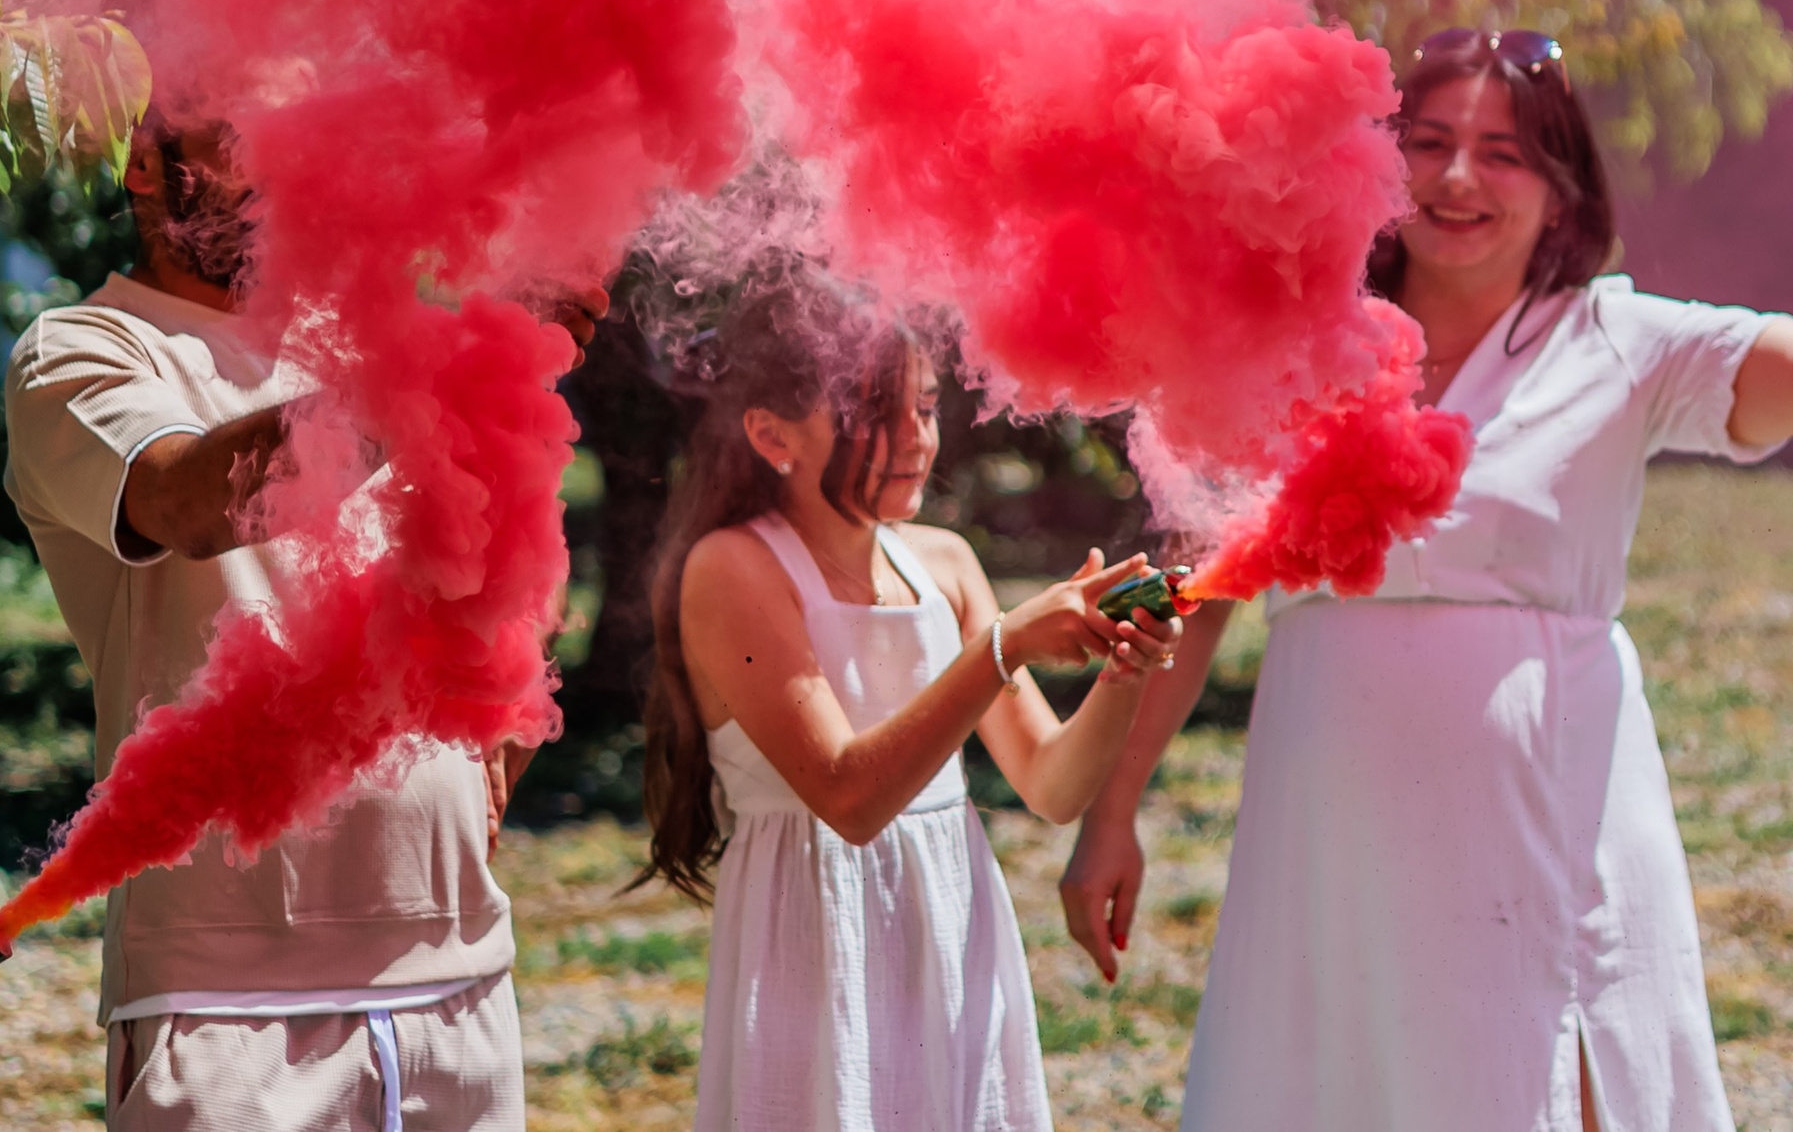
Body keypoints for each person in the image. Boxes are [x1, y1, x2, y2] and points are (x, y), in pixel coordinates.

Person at [1059, 28, 1793, 1132]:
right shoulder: (1298, 346)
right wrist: (1112, 811)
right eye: (1428, 143)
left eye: (1503, 153)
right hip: (1331, 824)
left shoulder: (1618, 342)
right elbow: (1191, 596)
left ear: (1561, 190)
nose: (1455, 178)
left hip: (1548, 815)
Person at [2, 112, 606, 1130]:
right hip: (225, 1006)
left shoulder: (375, 346)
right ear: (149, 166)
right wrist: (445, 368)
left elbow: (494, 566)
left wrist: (499, 739)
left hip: (458, 984)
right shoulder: (82, 349)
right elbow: (190, 502)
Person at [636, 282, 1184, 1132]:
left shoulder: (946, 564)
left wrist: (1126, 663)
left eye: (925, 407)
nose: (915, 440)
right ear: (770, 434)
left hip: (950, 942)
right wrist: (1002, 645)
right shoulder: (733, 568)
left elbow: (1051, 784)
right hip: (814, 948)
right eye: (872, 414)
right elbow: (849, 796)